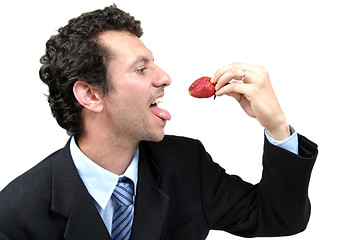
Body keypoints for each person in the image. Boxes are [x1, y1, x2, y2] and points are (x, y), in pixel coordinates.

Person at [0, 4, 318, 240]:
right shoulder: (16, 213)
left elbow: (281, 218)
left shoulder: (186, 164)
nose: (164, 77)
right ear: (91, 95)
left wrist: (276, 126)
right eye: (141, 69)